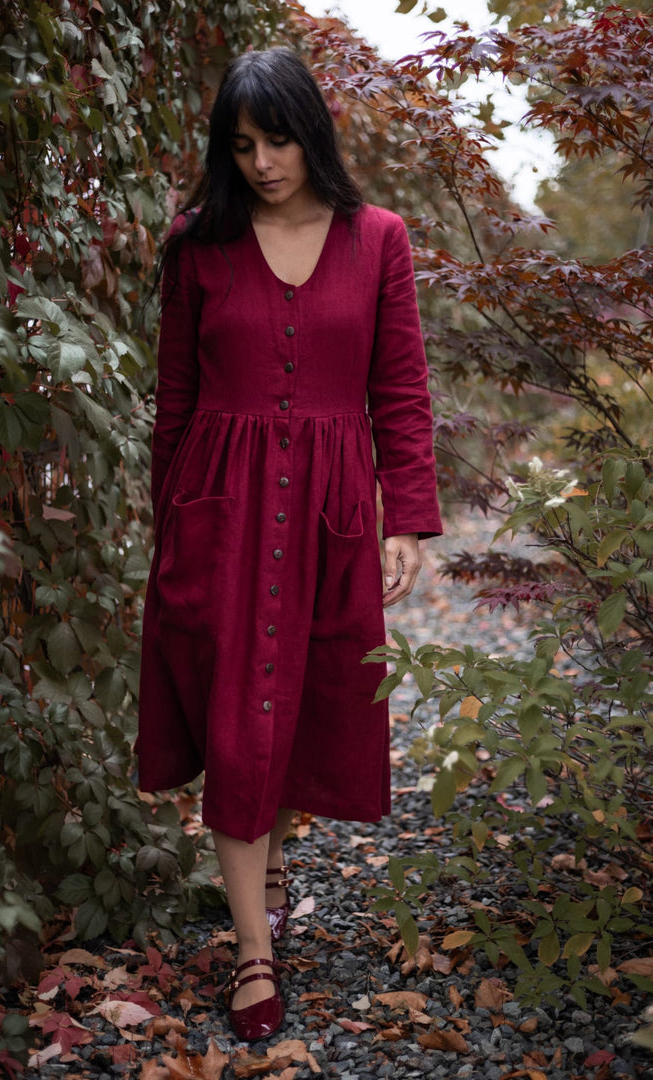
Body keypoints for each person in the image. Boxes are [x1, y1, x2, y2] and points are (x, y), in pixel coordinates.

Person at [136, 48, 442, 1042]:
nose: (263, 163)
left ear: (313, 132)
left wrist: (409, 519)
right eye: (242, 146)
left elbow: (399, 389)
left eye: (277, 140)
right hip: (216, 510)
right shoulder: (197, 246)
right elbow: (173, 399)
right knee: (235, 716)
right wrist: (165, 528)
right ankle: (254, 950)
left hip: (330, 512)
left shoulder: (379, 239)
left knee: (297, 701)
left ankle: (268, 860)